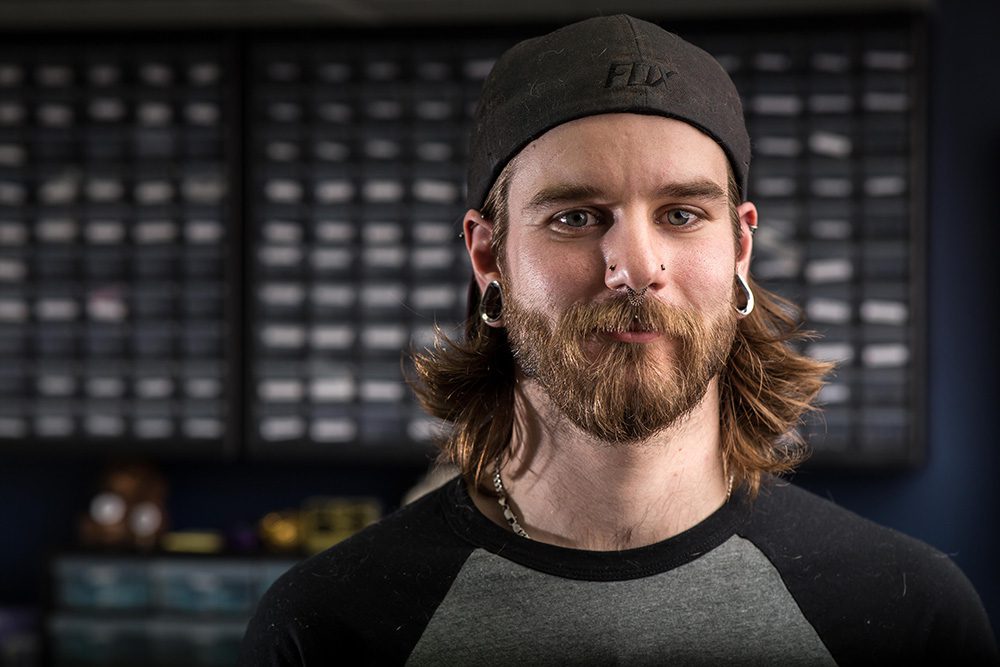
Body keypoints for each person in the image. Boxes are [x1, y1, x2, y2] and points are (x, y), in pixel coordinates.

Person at [240, 15, 998, 665]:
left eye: (681, 214)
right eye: (575, 216)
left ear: (740, 248)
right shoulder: (331, 627)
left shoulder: (908, 617)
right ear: (488, 258)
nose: (635, 267)